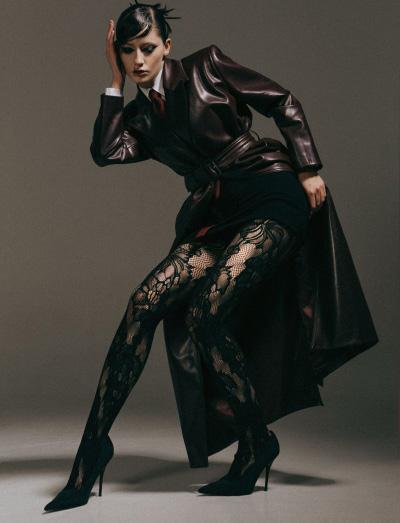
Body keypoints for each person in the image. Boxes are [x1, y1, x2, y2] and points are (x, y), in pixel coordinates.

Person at [44, 0, 332, 511]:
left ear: (167, 46)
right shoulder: (138, 116)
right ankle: (92, 452)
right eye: (127, 51)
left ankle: (254, 442)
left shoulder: (207, 66)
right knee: (142, 304)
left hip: (269, 193)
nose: (138, 60)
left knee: (205, 314)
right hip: (214, 217)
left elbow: (282, 100)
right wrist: (113, 85)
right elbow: (106, 152)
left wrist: (308, 166)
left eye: (147, 48)